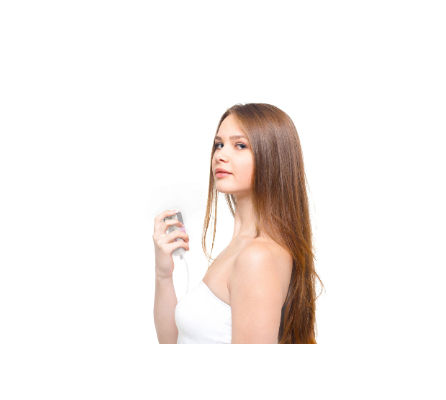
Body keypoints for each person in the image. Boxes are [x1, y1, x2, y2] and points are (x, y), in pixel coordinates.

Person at [153, 103, 323, 344]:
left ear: (272, 157)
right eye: (219, 144)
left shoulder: (258, 257)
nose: (220, 155)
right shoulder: (240, 247)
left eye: (240, 145)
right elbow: (173, 342)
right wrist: (163, 274)